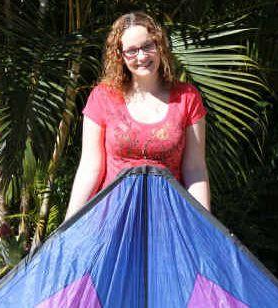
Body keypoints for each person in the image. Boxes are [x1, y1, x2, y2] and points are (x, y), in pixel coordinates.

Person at [65, 11, 210, 221]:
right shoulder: (102, 97)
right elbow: (90, 168)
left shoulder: (187, 97)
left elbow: (195, 169)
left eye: (147, 46)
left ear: (159, 46)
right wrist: (68, 224)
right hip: (111, 220)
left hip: (170, 220)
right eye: (131, 51)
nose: (141, 57)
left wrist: (205, 224)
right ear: (120, 56)